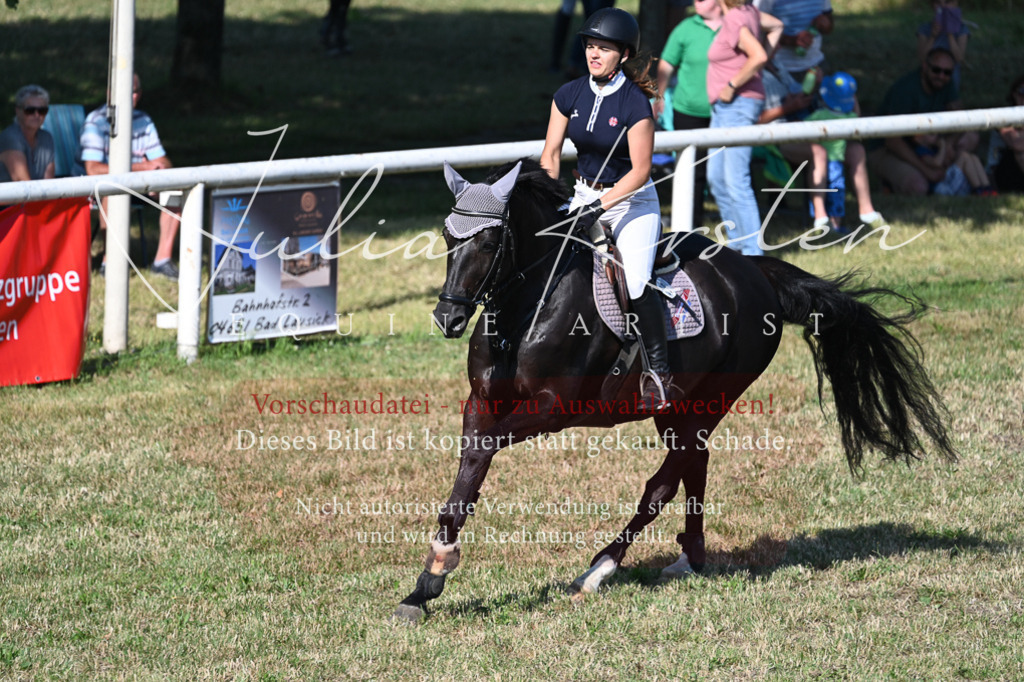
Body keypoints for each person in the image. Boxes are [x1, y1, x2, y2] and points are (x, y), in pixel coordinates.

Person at [539, 7, 672, 411]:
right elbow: (550, 153)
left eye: (604, 49)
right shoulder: (569, 94)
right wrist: (551, 198)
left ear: (624, 55)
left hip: (631, 201)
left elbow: (641, 170)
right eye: (590, 46)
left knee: (634, 282)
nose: (594, 54)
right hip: (581, 195)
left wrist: (598, 206)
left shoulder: (636, 104)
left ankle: (658, 374)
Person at [80, 73, 180, 279]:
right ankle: (110, 261)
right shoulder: (96, 122)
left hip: (140, 185)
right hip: (98, 189)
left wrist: (159, 170)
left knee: (175, 191)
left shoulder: (143, 120)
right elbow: (93, 169)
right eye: (123, 92)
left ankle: (162, 260)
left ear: (140, 94)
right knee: (113, 190)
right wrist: (143, 167)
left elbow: (163, 161)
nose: (129, 97)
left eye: (134, 92)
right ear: (110, 94)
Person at [705, 0, 781, 256]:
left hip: (737, 105)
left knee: (736, 180)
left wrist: (732, 84)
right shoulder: (749, 13)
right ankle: (737, 246)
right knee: (716, 177)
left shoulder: (737, 17)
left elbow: (757, 55)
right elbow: (777, 25)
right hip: (725, 108)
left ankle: (752, 254)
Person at [868, 47, 977, 196]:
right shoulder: (905, 90)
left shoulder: (946, 84)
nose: (941, 76)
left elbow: (961, 119)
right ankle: (891, 184)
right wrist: (927, 171)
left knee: (971, 137)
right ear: (925, 66)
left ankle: (947, 177)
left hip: (927, 145)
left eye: (947, 72)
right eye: (936, 70)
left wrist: (949, 144)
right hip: (888, 149)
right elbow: (892, 141)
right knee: (918, 186)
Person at [654, 0, 723, 228]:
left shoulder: (735, 25)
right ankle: (690, 225)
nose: (696, 2)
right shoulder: (686, 28)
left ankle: (732, 224)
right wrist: (660, 96)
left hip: (725, 112)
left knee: (721, 171)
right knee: (691, 170)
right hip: (688, 111)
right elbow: (666, 63)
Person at [753, 0, 833, 83]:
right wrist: (790, 40)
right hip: (780, 70)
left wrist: (826, 24)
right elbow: (754, 27)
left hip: (816, 65)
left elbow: (829, 21)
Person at [911, 131, 996, 196]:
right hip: (941, 188)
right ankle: (978, 190)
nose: (936, 136)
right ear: (918, 138)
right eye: (931, 134)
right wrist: (943, 146)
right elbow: (936, 163)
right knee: (964, 156)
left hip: (949, 182)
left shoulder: (933, 148)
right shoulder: (920, 150)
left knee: (973, 157)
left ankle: (987, 188)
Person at [0, 84, 56, 183]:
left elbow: (49, 183)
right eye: (30, 110)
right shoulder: (10, 138)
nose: (37, 115)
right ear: (18, 111)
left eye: (42, 110)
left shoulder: (47, 137)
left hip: (37, 196)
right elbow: (23, 184)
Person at [916, 0, 969, 88]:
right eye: (938, 2)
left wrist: (950, 34)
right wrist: (932, 37)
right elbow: (922, 58)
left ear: (956, 4)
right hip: (930, 75)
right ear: (932, 5)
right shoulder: (925, 29)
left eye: (947, 2)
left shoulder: (962, 29)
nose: (943, 6)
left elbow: (959, 58)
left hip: (950, 75)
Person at [991, 74, 1024, 193]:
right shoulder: (1004, 116)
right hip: (1003, 170)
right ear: (1014, 94)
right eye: (1022, 91)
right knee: (1020, 153)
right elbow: (1016, 144)